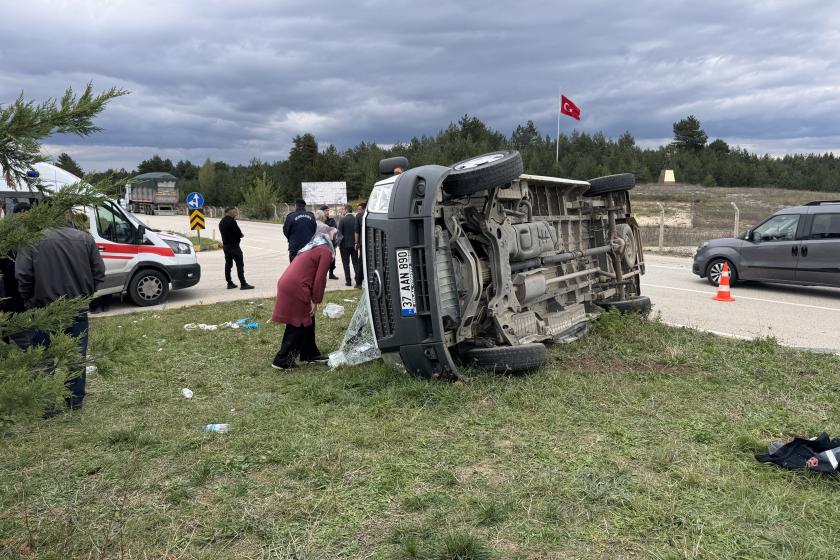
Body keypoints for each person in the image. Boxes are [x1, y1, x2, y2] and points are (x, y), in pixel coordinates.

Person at [15, 217, 106, 410]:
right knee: (75, 356)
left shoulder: (33, 240)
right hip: (76, 308)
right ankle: (75, 401)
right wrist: (85, 295)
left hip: (43, 310)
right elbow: (99, 272)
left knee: (42, 357)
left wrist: (29, 301)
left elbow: (23, 275)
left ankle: (46, 406)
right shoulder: (85, 239)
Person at [270, 224, 337, 370]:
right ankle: (282, 359)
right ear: (326, 236)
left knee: (308, 320)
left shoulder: (312, 246)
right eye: (334, 234)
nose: (337, 238)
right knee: (298, 322)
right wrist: (316, 300)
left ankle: (309, 353)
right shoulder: (325, 251)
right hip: (297, 287)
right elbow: (320, 279)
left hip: (289, 283)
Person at [1, 203, 31, 345]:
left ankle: (8, 336)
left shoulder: (8, 231)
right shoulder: (28, 232)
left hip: (9, 283)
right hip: (17, 282)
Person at [219, 207, 254, 290]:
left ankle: (229, 283)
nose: (236, 214)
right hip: (234, 246)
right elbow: (238, 233)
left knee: (228, 265)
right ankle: (243, 283)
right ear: (229, 212)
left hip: (226, 246)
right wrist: (241, 235)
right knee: (239, 264)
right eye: (234, 212)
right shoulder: (231, 221)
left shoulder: (221, 222)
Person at [283, 198, 316, 262]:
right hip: (308, 248)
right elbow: (314, 230)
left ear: (296, 206)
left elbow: (286, 231)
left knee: (295, 270)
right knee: (307, 269)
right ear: (304, 206)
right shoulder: (311, 216)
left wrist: (291, 239)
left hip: (295, 248)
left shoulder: (291, 216)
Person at [337, 204, 360, 287]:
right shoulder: (355, 219)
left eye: (343, 209)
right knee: (355, 263)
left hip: (344, 246)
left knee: (346, 264)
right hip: (354, 244)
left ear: (346, 210)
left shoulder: (342, 220)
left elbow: (339, 234)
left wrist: (338, 244)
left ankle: (348, 281)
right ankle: (358, 281)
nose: (342, 211)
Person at [319, 205, 340, 280]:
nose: (327, 212)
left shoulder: (331, 220)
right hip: (322, 243)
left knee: (332, 259)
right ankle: (322, 276)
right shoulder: (318, 221)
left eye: (328, 210)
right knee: (322, 260)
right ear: (321, 212)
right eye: (325, 210)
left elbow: (334, 230)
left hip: (331, 243)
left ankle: (331, 273)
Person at [354, 201, 366, 288]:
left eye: (359, 209)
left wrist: (356, 243)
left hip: (363, 243)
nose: (358, 211)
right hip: (371, 243)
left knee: (361, 262)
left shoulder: (359, 216)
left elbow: (356, 231)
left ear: (364, 209)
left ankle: (358, 283)